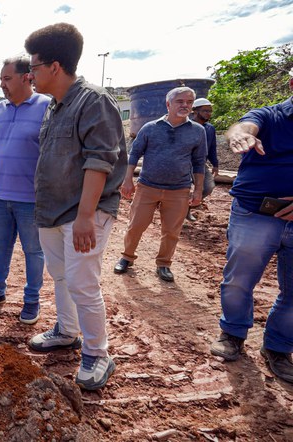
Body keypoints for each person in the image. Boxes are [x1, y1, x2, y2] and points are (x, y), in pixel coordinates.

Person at [23, 23, 128, 390]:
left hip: (82, 214)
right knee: (62, 277)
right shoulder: (55, 107)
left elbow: (100, 161)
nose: (29, 74)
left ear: (54, 66)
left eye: (33, 67)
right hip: (52, 211)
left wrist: (86, 216)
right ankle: (67, 331)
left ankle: (99, 353)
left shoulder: (93, 101)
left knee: (84, 284)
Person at [209, 71, 293, 384]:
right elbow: (244, 125)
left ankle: (279, 347)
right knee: (239, 281)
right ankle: (232, 333)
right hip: (254, 214)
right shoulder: (270, 117)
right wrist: (240, 134)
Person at [0, 57, 51, 324]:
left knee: (33, 250)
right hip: (0, 195)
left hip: (31, 198)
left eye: (7, 79)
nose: (2, 84)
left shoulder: (46, 107)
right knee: (1, 245)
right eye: (1, 79)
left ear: (26, 77)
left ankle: (31, 301)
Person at [113, 87, 207, 282]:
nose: (185, 105)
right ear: (168, 104)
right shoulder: (150, 128)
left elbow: (199, 162)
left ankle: (164, 264)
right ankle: (127, 257)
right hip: (147, 187)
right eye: (180, 101)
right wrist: (127, 179)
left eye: (189, 102)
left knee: (171, 231)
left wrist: (198, 189)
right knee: (135, 226)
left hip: (179, 190)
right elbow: (134, 154)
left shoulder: (198, 131)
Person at [186, 97, 219, 221]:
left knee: (207, 187)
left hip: (200, 164)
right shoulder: (186, 126)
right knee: (182, 188)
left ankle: (186, 208)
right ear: (195, 111)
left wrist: (215, 164)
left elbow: (212, 148)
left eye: (210, 111)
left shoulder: (210, 129)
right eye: (205, 111)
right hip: (184, 163)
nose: (208, 113)